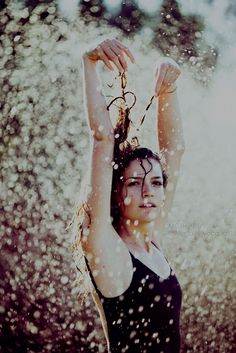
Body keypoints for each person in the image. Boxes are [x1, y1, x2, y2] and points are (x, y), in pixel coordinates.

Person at [73, 38, 185, 353]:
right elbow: (101, 138)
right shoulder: (107, 247)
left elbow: (173, 150)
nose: (148, 191)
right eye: (134, 183)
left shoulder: (151, 240)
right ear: (116, 192)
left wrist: (169, 87)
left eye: (156, 182)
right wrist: (89, 61)